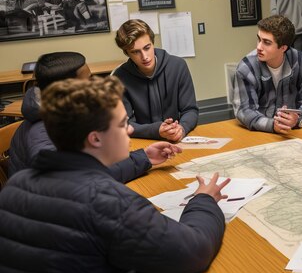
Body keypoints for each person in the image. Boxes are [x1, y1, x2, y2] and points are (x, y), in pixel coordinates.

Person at [0, 76, 229, 273]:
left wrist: (143, 157)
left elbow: (84, 182)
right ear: (95, 138)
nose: (131, 128)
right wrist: (204, 200)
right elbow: (196, 251)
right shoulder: (106, 201)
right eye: (122, 124)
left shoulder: (18, 183)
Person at [9, 51, 181, 181]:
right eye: (88, 80)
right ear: (67, 88)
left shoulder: (62, 115)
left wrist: (146, 157)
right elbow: (85, 180)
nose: (94, 84)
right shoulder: (43, 134)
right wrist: (143, 159)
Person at [232, 15, 302, 134]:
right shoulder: (246, 68)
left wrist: (298, 115)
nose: (259, 47)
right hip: (260, 133)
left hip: (295, 133)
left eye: (267, 42)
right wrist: (272, 125)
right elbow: (244, 110)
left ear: (283, 48)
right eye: (259, 39)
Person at [113, 19, 198, 142]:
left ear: (153, 43)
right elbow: (124, 124)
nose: (144, 56)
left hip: (176, 139)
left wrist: (181, 128)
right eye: (135, 52)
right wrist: (157, 131)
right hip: (142, 141)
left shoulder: (178, 66)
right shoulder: (119, 78)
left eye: (147, 48)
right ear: (127, 53)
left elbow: (190, 110)